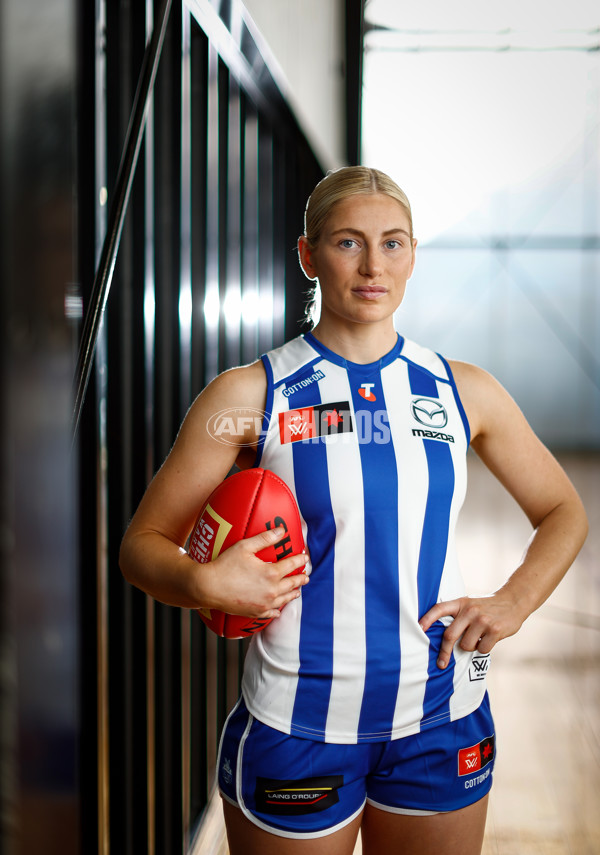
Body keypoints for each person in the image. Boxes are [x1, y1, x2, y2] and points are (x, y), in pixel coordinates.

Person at [119, 166, 588, 855]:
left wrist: (513, 601)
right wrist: (200, 581)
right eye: (347, 242)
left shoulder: (464, 391)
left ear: (413, 255)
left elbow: (562, 509)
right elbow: (143, 545)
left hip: (440, 716)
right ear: (309, 255)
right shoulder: (249, 396)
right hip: (298, 724)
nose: (373, 265)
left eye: (392, 243)